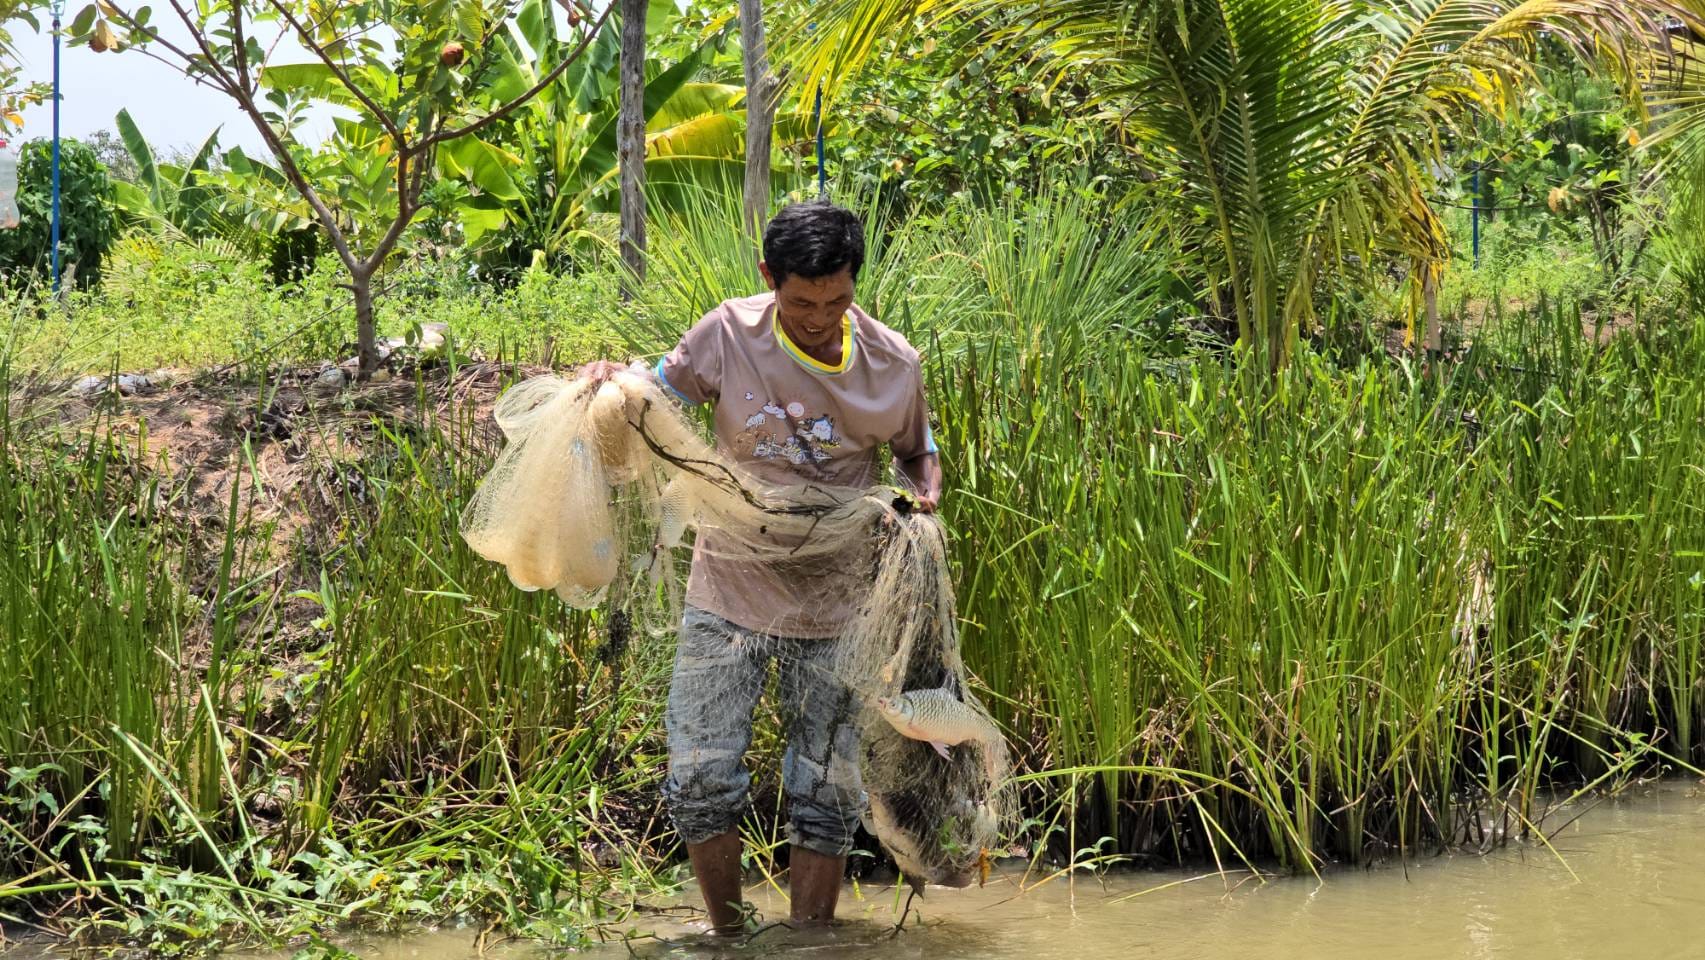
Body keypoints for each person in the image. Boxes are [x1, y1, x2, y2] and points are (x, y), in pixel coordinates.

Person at [580, 199, 942, 933]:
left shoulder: (892, 363)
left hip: (840, 599)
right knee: (701, 774)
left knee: (826, 787)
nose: (817, 317)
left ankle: (810, 942)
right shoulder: (727, 333)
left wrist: (924, 496)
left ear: (853, 285)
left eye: (836, 300)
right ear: (768, 278)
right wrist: (613, 385)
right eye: (801, 301)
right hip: (728, 586)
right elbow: (659, 393)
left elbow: (915, 451)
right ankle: (728, 938)